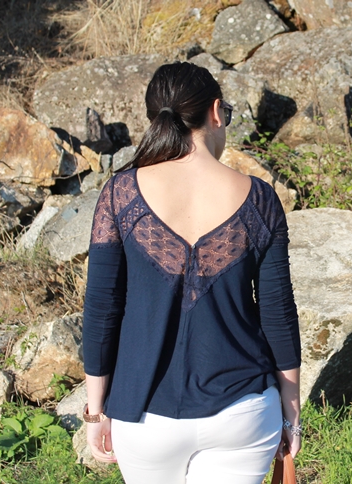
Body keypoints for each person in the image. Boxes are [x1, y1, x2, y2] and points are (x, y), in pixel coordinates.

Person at [81, 62, 302, 484]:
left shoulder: (120, 195)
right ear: (215, 112)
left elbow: (101, 311)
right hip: (242, 412)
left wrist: (95, 410)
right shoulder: (260, 199)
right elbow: (278, 314)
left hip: (144, 416)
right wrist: (291, 414)